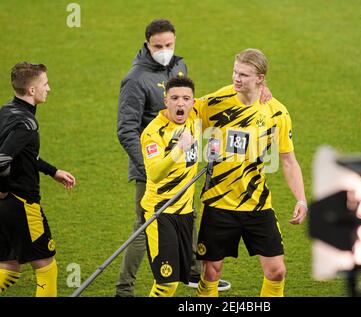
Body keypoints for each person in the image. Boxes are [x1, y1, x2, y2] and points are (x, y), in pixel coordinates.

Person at [116, 18, 230, 296]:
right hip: (152, 165)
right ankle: (124, 288)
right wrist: (150, 165)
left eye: (169, 44)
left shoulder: (179, 65)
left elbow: (193, 106)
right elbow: (126, 129)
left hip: (184, 163)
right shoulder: (135, 79)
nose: (165, 49)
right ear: (147, 45)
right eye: (159, 46)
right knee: (145, 226)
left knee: (186, 215)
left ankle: (190, 272)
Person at [195, 49, 308, 297]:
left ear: (260, 78)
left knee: (277, 271)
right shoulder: (216, 102)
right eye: (235, 72)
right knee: (211, 271)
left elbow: (288, 161)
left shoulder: (277, 112)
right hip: (217, 202)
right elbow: (181, 114)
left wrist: (301, 198)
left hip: (257, 204)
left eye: (244, 75)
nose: (236, 78)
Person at [0, 62, 76, 297]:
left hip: (4, 207)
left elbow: (25, 154)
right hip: (22, 203)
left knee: (9, 267)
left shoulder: (5, 112)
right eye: (45, 84)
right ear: (32, 91)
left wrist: (52, 171)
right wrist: (2, 189)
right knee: (46, 267)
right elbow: (2, 159)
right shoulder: (27, 124)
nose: (49, 88)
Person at [140, 76, 202, 297]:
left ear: (194, 103)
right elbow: (155, 173)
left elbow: (222, 99)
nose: (180, 103)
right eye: (174, 98)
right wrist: (179, 149)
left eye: (186, 98)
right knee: (167, 283)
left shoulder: (195, 116)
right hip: (160, 213)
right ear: (165, 101)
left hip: (185, 214)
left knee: (178, 279)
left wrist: (260, 89)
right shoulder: (152, 133)